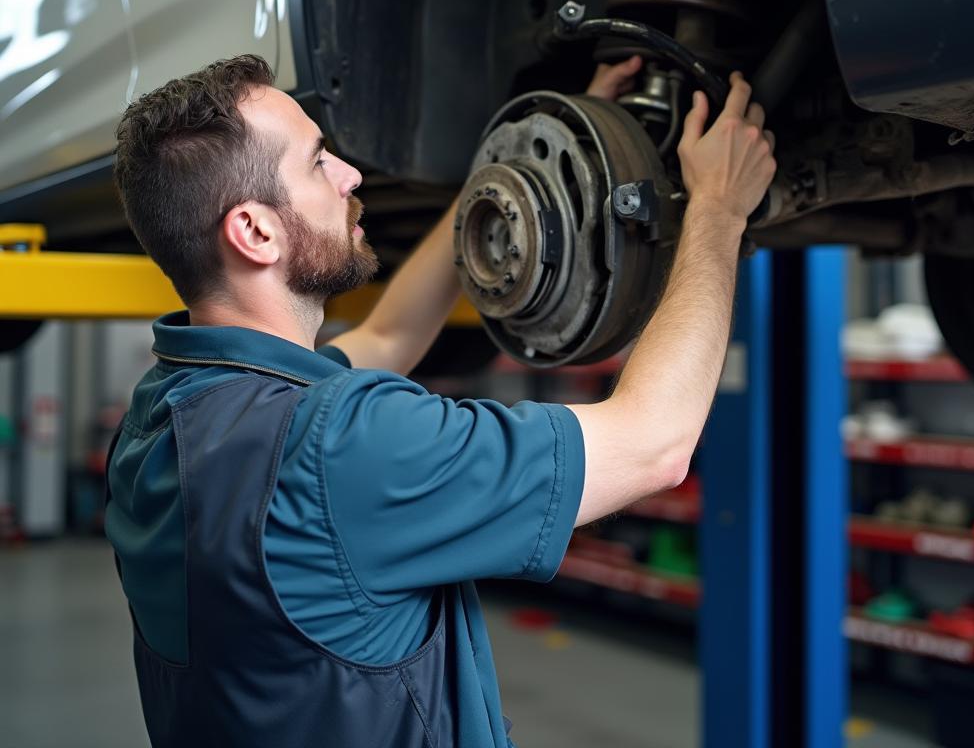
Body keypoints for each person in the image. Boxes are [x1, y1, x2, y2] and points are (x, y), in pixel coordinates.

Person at [105, 53, 775, 748]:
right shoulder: (339, 446)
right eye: (316, 163)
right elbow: (654, 444)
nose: (350, 175)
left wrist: (501, 168)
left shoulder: (165, 418)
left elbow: (390, 335)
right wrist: (719, 212)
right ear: (256, 231)